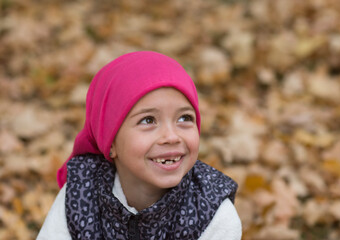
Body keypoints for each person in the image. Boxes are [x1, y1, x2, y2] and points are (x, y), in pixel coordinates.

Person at [37, 51, 242, 240]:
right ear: (110, 142)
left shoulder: (213, 212)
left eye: (184, 118)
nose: (171, 136)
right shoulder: (81, 194)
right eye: (148, 120)